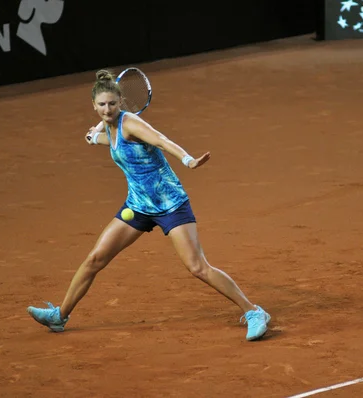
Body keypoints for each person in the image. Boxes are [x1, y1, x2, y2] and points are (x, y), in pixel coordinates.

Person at [27, 70, 271, 341]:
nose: (107, 109)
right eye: (102, 105)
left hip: (170, 204)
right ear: (93, 106)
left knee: (197, 267)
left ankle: (254, 311)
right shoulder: (109, 129)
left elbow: (161, 140)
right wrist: (92, 137)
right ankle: (60, 316)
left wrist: (187, 159)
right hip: (138, 206)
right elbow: (102, 140)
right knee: (95, 259)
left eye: (112, 104)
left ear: (121, 102)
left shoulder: (131, 123)